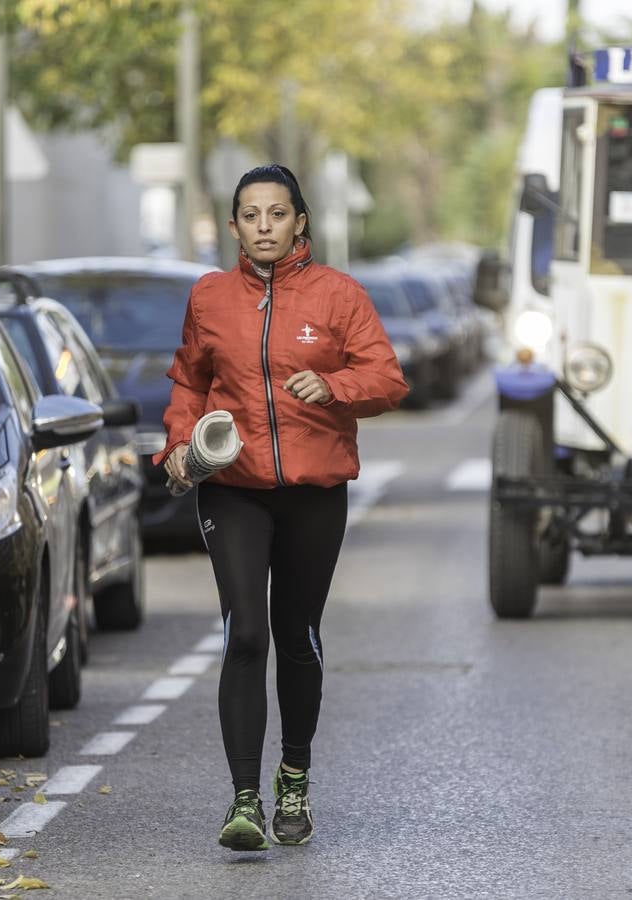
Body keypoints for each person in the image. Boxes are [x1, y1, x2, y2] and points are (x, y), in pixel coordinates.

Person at [155, 164, 408, 851]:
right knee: (244, 634)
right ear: (234, 225)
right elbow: (189, 382)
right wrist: (179, 445)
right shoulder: (209, 298)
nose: (263, 226)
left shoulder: (338, 295)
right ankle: (243, 801)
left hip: (312, 493)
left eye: (276, 214)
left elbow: (388, 377)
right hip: (233, 487)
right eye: (250, 215)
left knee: (296, 636)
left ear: (300, 221)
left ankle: (293, 775)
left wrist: (334, 386)